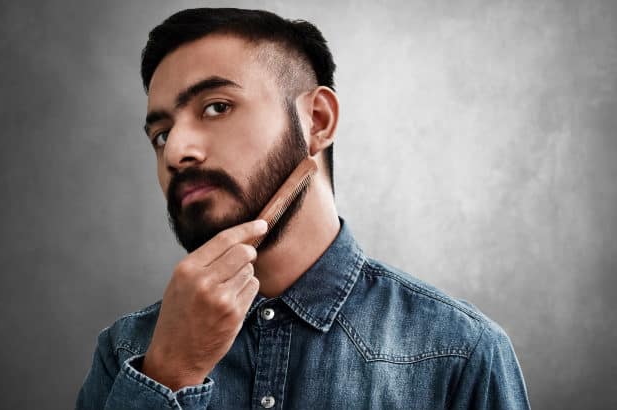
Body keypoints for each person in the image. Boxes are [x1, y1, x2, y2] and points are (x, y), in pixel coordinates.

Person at [76, 8, 530, 409]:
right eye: (160, 134)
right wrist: (167, 376)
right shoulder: (127, 352)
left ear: (317, 121)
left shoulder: (460, 352)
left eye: (216, 107)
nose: (176, 151)